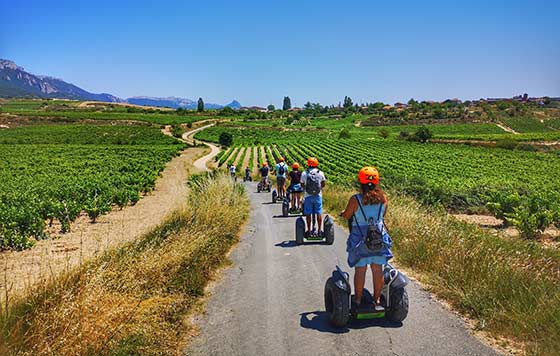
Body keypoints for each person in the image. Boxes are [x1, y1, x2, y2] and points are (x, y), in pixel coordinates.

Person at [340, 166, 393, 312]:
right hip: (378, 237)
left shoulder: (355, 199)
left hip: (360, 239)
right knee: (377, 270)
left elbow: (347, 215)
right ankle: (376, 300)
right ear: (376, 181)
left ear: (360, 181)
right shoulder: (383, 198)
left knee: (360, 270)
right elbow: (382, 216)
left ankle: (357, 300)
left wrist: (342, 213)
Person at [300, 157, 326, 236]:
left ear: (308, 163)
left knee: (308, 213)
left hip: (308, 196)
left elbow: (302, 184)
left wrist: (306, 188)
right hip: (318, 196)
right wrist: (319, 189)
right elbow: (323, 184)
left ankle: (309, 230)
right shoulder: (320, 172)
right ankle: (319, 230)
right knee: (319, 212)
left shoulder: (305, 173)